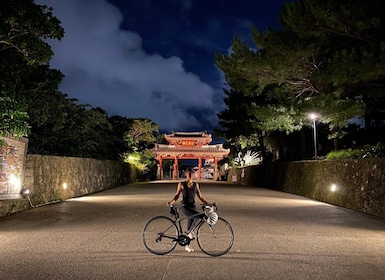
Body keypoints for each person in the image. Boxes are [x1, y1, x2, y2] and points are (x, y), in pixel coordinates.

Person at [167, 167, 210, 252]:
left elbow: (200, 196)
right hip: (185, 207)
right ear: (186, 174)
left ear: (194, 175)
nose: (190, 175)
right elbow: (177, 195)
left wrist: (207, 203)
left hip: (193, 207)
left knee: (190, 228)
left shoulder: (196, 185)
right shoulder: (181, 184)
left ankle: (187, 246)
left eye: (192, 173)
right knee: (200, 217)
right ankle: (190, 233)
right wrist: (171, 202)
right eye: (189, 173)